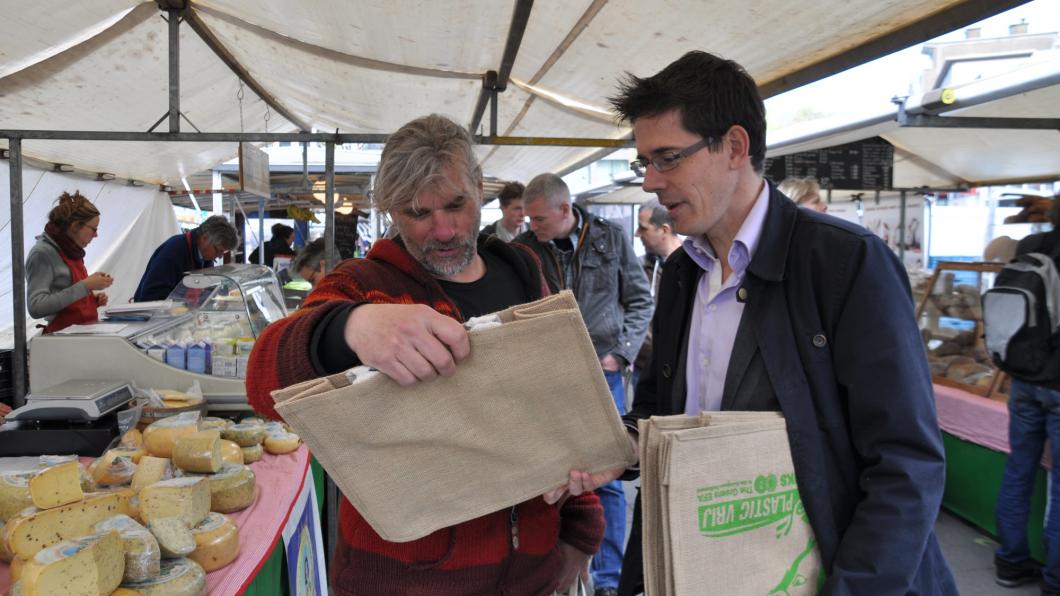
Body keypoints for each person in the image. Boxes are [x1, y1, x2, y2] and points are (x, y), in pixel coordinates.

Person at [606, 50, 955, 595]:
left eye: (667, 158)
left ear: (735, 147)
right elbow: (660, 410)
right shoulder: (679, 273)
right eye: (643, 163)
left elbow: (905, 463)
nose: (650, 182)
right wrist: (618, 446)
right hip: (708, 568)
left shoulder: (844, 262)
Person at [245, 114, 605, 594]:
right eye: (418, 213)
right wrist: (349, 326)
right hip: (406, 581)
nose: (443, 230)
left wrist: (581, 527)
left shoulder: (523, 270)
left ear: (479, 187)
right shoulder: (364, 284)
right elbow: (262, 384)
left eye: (456, 205)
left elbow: (559, 401)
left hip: (533, 572)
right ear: (393, 211)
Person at [514, 174, 653, 596]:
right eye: (528, 218)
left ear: (563, 209)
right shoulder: (522, 249)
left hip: (603, 372)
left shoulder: (609, 239)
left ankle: (607, 579)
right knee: (552, 470)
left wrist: (623, 352)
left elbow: (641, 299)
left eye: (539, 218)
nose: (532, 225)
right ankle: (556, 562)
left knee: (607, 473)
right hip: (546, 378)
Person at [994, 199, 1060, 593]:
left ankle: (1010, 561)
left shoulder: (1030, 244)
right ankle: (1054, 580)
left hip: (1021, 378)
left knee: (1019, 470)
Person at [26, 191, 113, 334]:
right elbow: (37, 307)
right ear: (75, 227)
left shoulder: (71, 249)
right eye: (93, 229)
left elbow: (64, 292)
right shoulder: (42, 254)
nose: (96, 235)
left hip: (78, 336)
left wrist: (92, 300)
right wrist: (85, 286)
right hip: (61, 341)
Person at [133, 215, 238, 302]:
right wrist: (186, 297)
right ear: (205, 238)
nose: (220, 256)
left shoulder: (205, 255)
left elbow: (205, 286)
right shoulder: (174, 250)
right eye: (218, 250)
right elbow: (152, 294)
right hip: (151, 319)